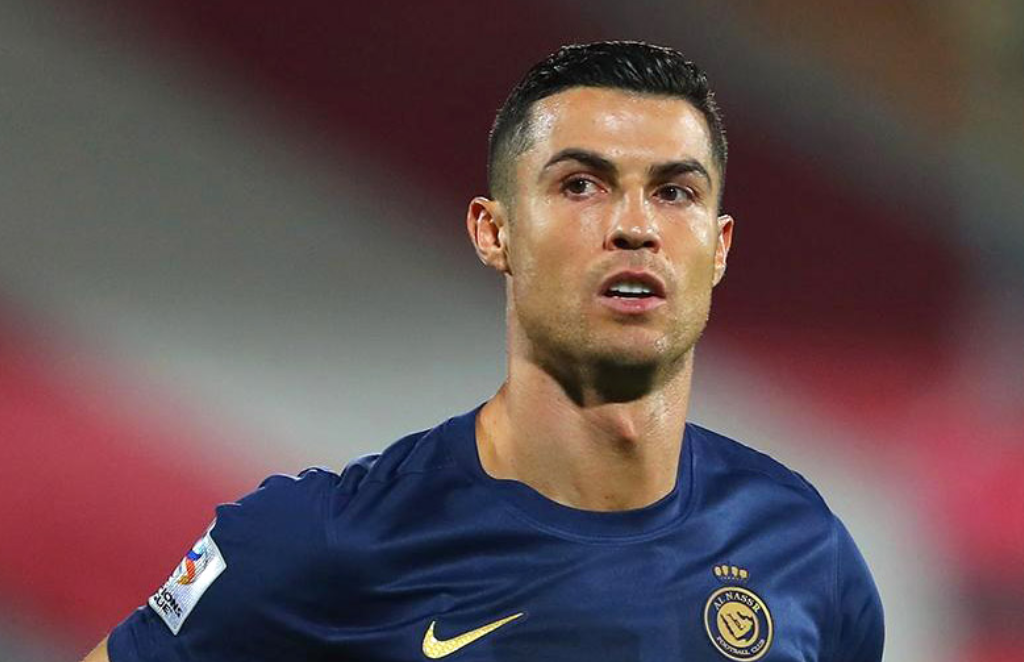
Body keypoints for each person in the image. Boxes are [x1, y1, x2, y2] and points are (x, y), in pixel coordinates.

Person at [83, 41, 884, 662]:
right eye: (581, 185)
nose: (635, 226)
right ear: (494, 232)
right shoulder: (319, 543)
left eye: (675, 192)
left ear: (720, 246)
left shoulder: (802, 548)